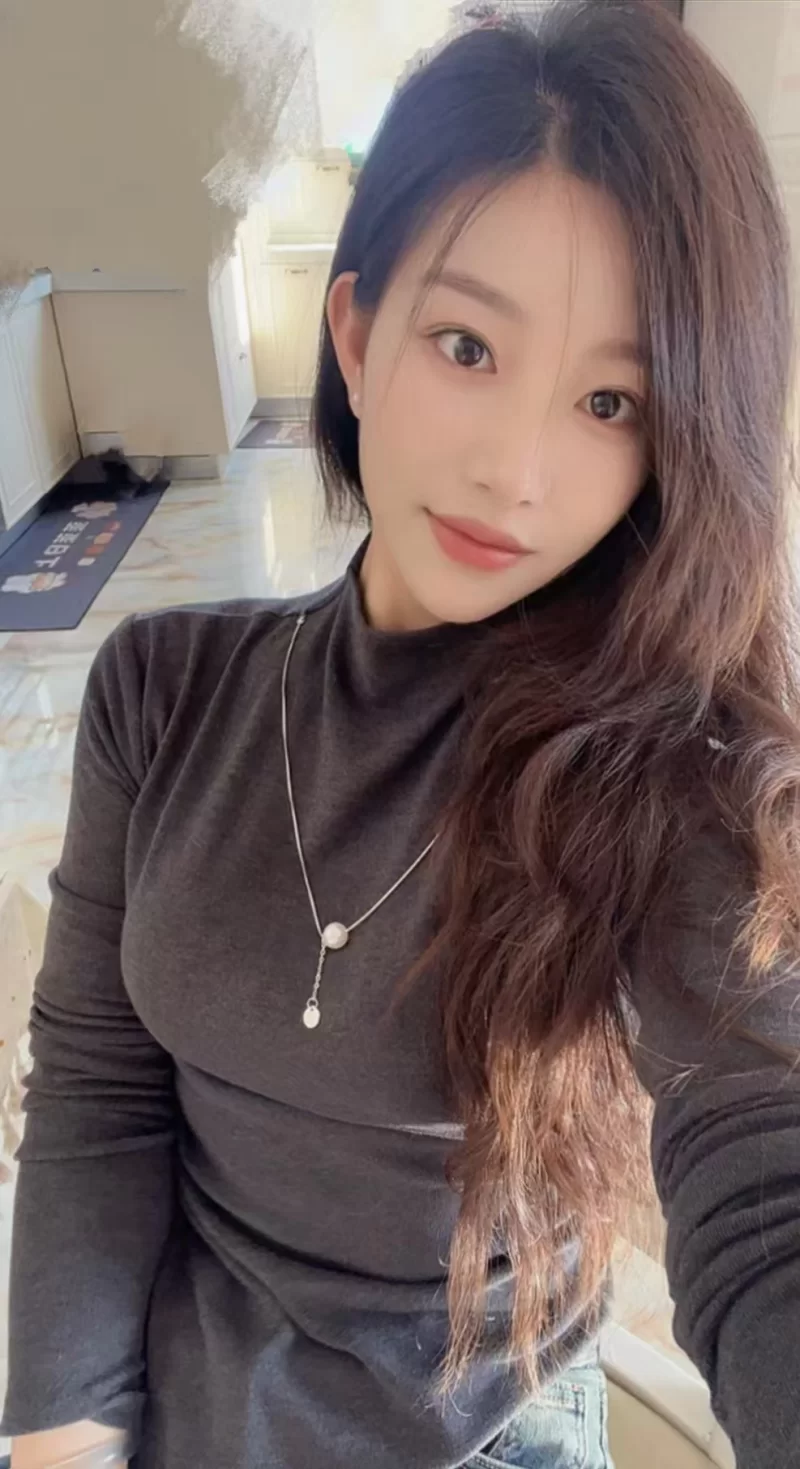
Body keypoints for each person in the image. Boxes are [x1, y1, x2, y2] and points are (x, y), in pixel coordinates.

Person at [4, 1, 800, 1466]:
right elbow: (99, 1097)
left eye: (610, 399)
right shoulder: (161, 692)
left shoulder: (662, 774)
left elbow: (769, 1188)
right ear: (358, 338)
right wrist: (63, 1437)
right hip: (176, 1384)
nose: (515, 471)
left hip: (483, 1426)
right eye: (467, 344)